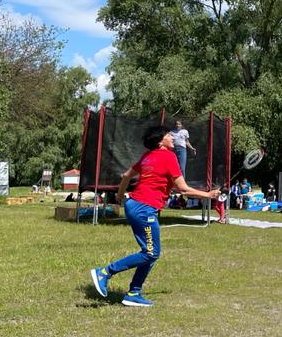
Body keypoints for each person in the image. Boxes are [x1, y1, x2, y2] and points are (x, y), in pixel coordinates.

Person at [89, 125, 217, 307]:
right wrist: (208, 195)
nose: (172, 137)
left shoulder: (147, 157)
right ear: (160, 141)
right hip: (144, 208)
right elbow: (183, 189)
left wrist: (119, 196)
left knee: (149, 252)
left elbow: (126, 176)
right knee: (151, 252)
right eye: (168, 135)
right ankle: (104, 272)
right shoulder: (169, 157)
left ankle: (134, 292)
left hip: (134, 205)